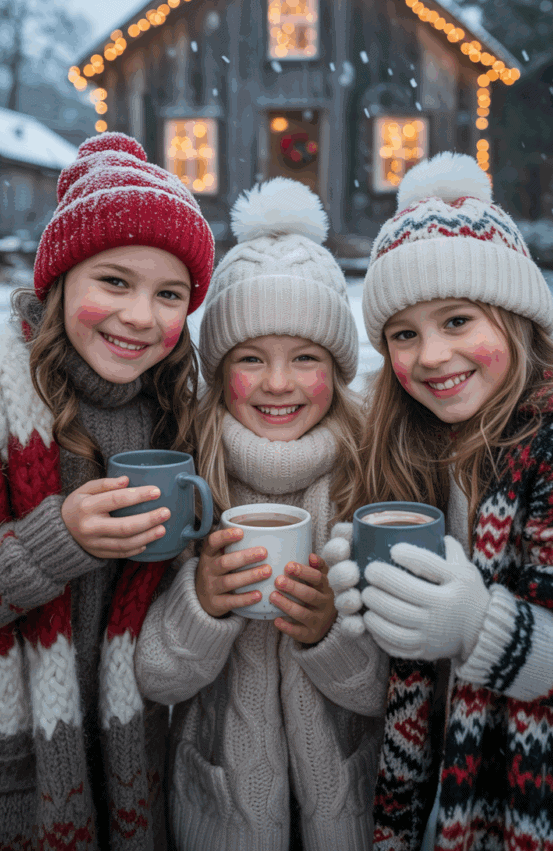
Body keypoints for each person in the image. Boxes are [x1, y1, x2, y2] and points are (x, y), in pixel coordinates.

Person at [325, 152, 553, 850]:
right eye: (405, 334)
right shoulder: (413, 449)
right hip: (441, 800)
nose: (431, 355)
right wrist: (371, 614)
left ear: (516, 318)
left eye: (458, 320)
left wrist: (481, 629)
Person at [134, 177, 390, 851]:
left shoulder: (370, 478)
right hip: (219, 810)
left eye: (305, 357)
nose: (278, 383)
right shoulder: (190, 479)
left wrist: (330, 636)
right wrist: (203, 605)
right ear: (221, 373)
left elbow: (395, 691)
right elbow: (155, 676)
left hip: (348, 806)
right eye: (251, 358)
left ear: (336, 370)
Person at [0, 132, 214, 851]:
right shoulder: (6, 399)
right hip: (19, 764)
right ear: (59, 282)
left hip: (131, 753)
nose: (140, 316)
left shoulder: (175, 405)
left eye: (169, 294)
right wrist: (58, 540)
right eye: (114, 282)